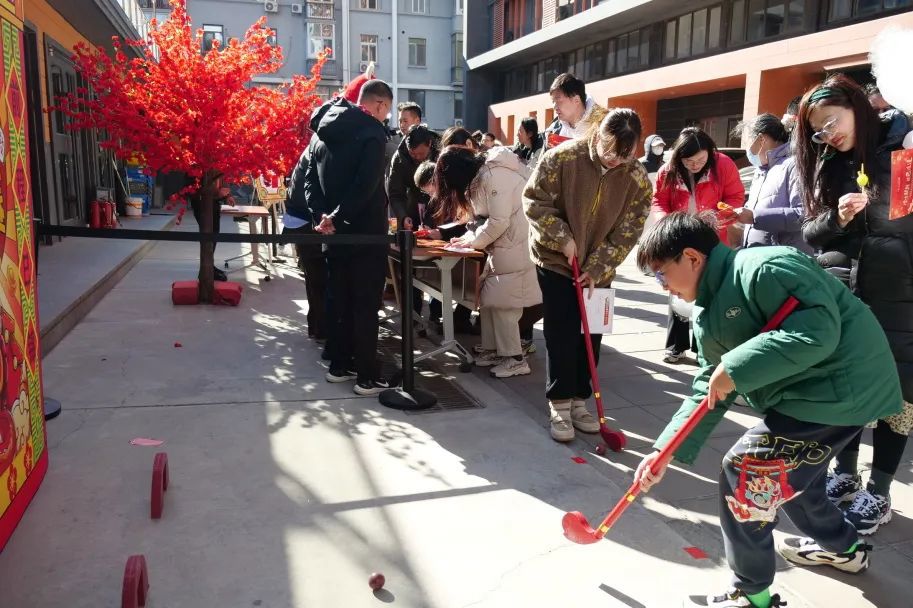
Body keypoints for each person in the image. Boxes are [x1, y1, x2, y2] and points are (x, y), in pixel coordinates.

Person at [634, 212, 902, 608]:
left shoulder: (765, 266)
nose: (663, 286)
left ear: (691, 257)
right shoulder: (708, 313)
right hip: (815, 394)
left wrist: (734, 366)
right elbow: (709, 389)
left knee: (747, 471)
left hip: (843, 387)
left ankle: (751, 593)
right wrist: (664, 450)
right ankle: (845, 549)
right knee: (795, 480)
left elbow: (817, 332)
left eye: (661, 274)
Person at [795, 74, 913, 534]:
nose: (827, 135)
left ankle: (879, 491)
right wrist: (837, 218)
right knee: (846, 386)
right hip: (842, 289)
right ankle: (845, 473)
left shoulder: (902, 145)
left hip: (899, 291)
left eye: (832, 122)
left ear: (856, 106)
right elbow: (811, 232)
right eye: (818, 130)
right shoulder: (829, 163)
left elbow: (904, 224)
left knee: (898, 391)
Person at [525, 108, 652, 442]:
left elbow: (630, 228)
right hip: (555, 260)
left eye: (624, 155)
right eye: (609, 151)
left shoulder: (636, 177)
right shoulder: (563, 157)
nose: (614, 160)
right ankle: (560, 403)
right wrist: (562, 238)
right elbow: (534, 201)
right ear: (598, 134)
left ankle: (580, 400)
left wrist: (598, 267)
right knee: (562, 333)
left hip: (598, 267)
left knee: (592, 334)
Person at [309, 79, 395, 395]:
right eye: (387, 110)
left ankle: (339, 365)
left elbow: (309, 180)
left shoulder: (321, 133)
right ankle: (366, 376)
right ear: (380, 104)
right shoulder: (373, 133)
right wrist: (338, 217)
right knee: (365, 305)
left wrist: (324, 216)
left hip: (333, 234)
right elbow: (367, 185)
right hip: (365, 233)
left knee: (338, 300)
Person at [434, 145, 541, 377]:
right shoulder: (485, 175)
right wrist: (467, 239)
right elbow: (486, 221)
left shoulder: (494, 176)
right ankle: (495, 350)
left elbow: (498, 221)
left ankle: (515, 359)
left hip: (516, 245)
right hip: (506, 245)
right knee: (491, 300)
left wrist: (473, 242)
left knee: (504, 305)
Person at [652, 126, 745, 363]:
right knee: (677, 288)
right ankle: (676, 345)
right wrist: (667, 224)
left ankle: (703, 347)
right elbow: (659, 201)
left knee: (710, 291)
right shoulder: (668, 170)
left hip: (712, 237)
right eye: (689, 161)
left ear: (710, 153)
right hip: (678, 238)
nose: (695, 165)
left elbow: (735, 198)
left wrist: (715, 219)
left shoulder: (723, 165)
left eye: (701, 160)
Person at [731, 114, 811, 253]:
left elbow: (804, 215)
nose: (748, 150)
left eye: (748, 143)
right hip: (757, 256)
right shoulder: (760, 171)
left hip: (783, 258)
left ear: (761, 139)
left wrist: (754, 216)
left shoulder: (794, 165)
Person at [284, 145, 328, 342]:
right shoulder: (323, 148)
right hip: (308, 221)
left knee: (315, 278)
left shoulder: (314, 146)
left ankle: (318, 328)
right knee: (319, 278)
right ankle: (322, 329)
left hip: (301, 219)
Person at [188, 177, 235, 282]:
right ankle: (206, 270)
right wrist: (218, 193)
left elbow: (222, 180)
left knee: (214, 234)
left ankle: (209, 267)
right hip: (202, 202)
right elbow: (195, 184)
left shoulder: (219, 170)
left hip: (214, 202)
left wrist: (227, 195)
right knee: (208, 235)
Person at [545, 73, 607, 141]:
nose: (554, 107)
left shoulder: (604, 126)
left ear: (576, 100)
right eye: (553, 102)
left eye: (559, 101)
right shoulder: (554, 131)